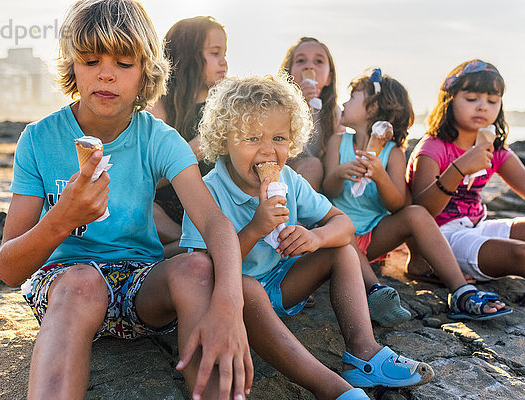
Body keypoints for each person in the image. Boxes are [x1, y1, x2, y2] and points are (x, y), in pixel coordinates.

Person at [0, 1, 252, 399]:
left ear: (146, 71)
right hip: (66, 284)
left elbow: (214, 222)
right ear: (72, 65)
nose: (106, 74)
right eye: (91, 59)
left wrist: (229, 302)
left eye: (124, 63)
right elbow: (9, 269)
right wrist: (62, 219)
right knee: (81, 283)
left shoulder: (158, 138)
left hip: (142, 287)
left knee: (197, 268)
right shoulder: (39, 139)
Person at [181, 75, 434, 398]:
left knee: (340, 249)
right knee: (249, 287)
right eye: (252, 138)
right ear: (223, 140)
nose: (268, 151)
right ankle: (326, 387)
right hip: (235, 299)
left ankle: (363, 353)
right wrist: (255, 229)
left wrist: (316, 239)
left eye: (279, 138)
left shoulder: (289, 178)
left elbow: (342, 224)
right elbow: (200, 271)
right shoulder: (209, 191)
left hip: (282, 284)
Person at [322, 68, 510, 325]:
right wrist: (340, 173)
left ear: (373, 107)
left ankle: (460, 291)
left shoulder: (394, 152)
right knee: (341, 232)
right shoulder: (337, 142)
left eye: (353, 96)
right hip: (337, 233)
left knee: (417, 214)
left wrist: (380, 176)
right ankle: (377, 292)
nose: (344, 102)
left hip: (374, 235)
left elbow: (399, 203)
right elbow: (326, 190)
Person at [407, 59, 525, 283]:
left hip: (478, 225)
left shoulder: (495, 148)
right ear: (449, 101)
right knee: (521, 254)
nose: (482, 106)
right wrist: (460, 167)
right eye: (471, 99)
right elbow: (421, 212)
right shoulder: (433, 147)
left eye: (492, 100)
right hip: (441, 237)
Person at [148, 16, 228, 257]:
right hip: (168, 210)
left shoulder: (227, 106)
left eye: (225, 53)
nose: (224, 62)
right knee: (145, 209)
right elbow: (144, 180)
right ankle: (193, 244)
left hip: (212, 206)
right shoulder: (158, 108)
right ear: (188, 56)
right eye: (215, 53)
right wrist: (193, 150)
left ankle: (187, 248)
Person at [280, 37, 344, 191]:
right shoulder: (278, 105)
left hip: (319, 178)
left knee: (316, 165)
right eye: (301, 61)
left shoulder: (334, 113)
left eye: (318, 62)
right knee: (312, 165)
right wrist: (300, 104)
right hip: (284, 170)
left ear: (329, 77)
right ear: (288, 72)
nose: (309, 67)